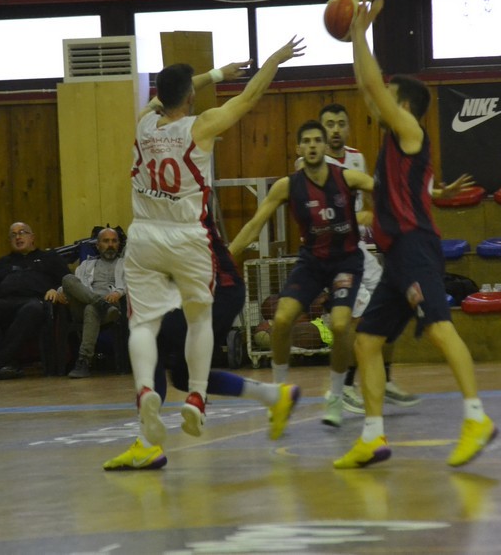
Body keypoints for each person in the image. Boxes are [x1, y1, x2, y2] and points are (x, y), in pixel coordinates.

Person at [118, 38, 304, 460]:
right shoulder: (199, 127)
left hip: (157, 243)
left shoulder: (144, 123)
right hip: (187, 244)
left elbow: (170, 93)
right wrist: (274, 59)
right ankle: (239, 398)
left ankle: (147, 433)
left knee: (148, 335)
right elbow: (249, 97)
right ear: (190, 97)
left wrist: (216, 74)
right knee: (183, 366)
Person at [338, 0, 495, 469]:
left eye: (388, 94)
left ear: (404, 104)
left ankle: (476, 419)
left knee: (441, 329)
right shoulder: (396, 140)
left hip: (414, 248)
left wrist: (360, 32)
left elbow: (371, 83)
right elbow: (366, 85)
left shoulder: (409, 128)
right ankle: (372, 436)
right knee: (367, 341)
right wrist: (358, 39)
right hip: (395, 256)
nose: (376, 99)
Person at [103, 222, 300, 470]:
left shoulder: (175, 212)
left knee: (154, 342)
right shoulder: (168, 215)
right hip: (216, 289)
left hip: (217, 291)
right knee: (183, 376)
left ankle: (147, 444)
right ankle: (274, 395)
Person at [230, 119, 374, 428]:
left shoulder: (346, 177)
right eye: (306, 141)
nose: (311, 146)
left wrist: (372, 212)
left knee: (340, 325)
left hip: (345, 262)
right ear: (298, 148)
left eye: (316, 141)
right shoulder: (288, 186)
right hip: (312, 263)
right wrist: (226, 258)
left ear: (325, 147)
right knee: (282, 319)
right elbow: (255, 224)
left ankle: (336, 396)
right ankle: (280, 391)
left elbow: (385, 191)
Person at [307, 102, 420, 413]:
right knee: (355, 321)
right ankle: (343, 388)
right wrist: (356, 218)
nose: (335, 129)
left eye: (340, 123)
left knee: (393, 303)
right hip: (331, 252)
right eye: (329, 124)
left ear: (348, 128)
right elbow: (317, 213)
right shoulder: (310, 162)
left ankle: (385, 379)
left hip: (358, 250)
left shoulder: (356, 157)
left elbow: (372, 196)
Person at [0, 222, 70, 380]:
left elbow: (68, 281)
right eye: (13, 234)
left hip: (35, 302)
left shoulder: (50, 258)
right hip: (5, 302)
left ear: (32, 237)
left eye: (22, 232)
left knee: (32, 309)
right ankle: (8, 363)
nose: (18, 237)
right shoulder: (2, 263)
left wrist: (56, 289)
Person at [57, 227, 126, 379]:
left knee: (91, 308)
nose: (110, 245)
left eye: (114, 241)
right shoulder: (86, 265)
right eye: (106, 241)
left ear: (119, 244)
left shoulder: (125, 264)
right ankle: (99, 303)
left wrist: (119, 292)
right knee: (67, 279)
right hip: (88, 306)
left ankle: (83, 362)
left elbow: (131, 284)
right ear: (98, 245)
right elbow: (74, 285)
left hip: (111, 305)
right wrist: (58, 291)